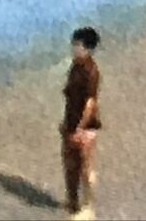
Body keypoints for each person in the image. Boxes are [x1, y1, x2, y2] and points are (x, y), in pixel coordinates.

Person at [61, 27, 101, 221]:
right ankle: (72, 202)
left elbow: (90, 103)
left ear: (88, 48)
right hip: (71, 121)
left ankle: (88, 205)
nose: (74, 49)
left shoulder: (91, 71)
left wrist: (80, 126)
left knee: (85, 165)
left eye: (77, 45)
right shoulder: (75, 66)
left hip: (85, 126)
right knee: (70, 163)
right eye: (74, 45)